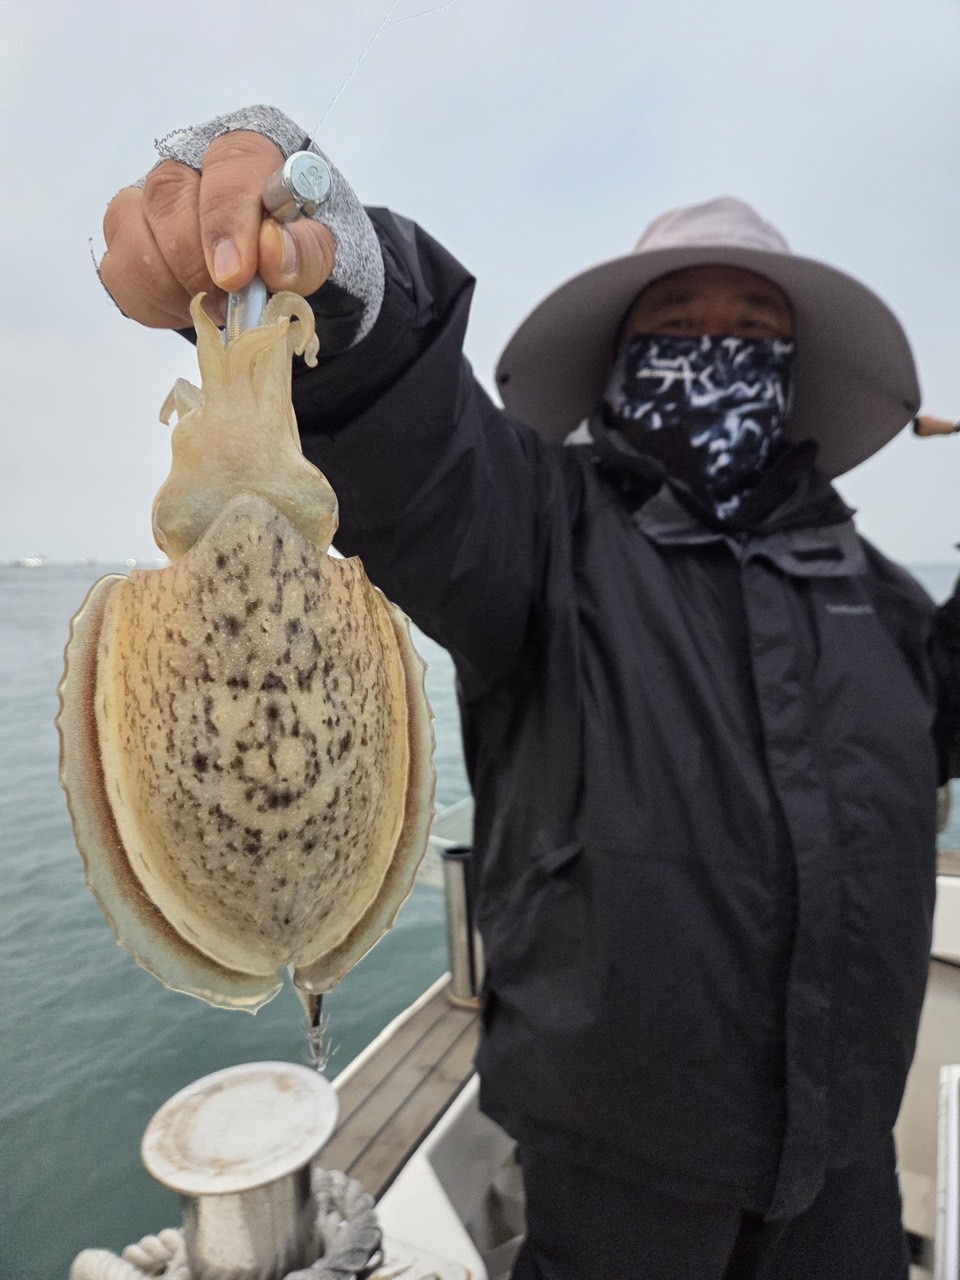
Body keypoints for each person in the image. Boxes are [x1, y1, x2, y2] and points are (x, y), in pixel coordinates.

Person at [101, 107, 960, 1279]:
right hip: (614, 1169)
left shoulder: (883, 597)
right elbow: (418, 439)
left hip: (848, 1160)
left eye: (754, 329)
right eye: (680, 323)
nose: (718, 346)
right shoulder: (545, 528)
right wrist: (335, 276)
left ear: (794, 370)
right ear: (620, 356)